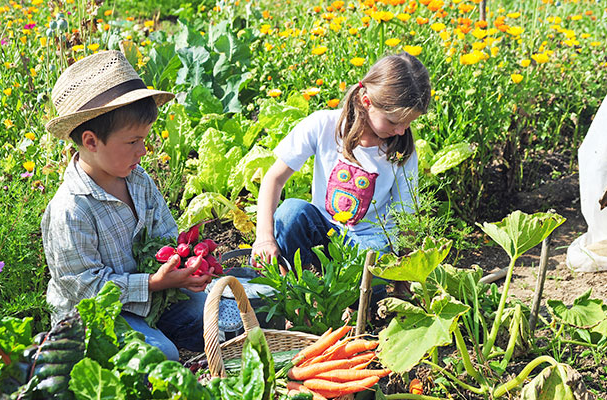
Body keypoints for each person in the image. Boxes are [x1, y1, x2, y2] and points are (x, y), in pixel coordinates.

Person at [41, 50, 213, 361]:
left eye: (144, 140)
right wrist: (152, 282)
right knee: (160, 358)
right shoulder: (71, 209)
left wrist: (183, 264)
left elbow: (165, 232)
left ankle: (174, 334)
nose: (143, 151)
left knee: (221, 315)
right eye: (133, 142)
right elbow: (86, 290)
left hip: (155, 295)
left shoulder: (138, 180)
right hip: (97, 317)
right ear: (91, 142)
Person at [251, 52, 431, 291]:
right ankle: (296, 290)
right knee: (291, 212)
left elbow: (407, 218)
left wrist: (403, 281)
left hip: (368, 245)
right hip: (324, 231)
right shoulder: (323, 125)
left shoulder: (400, 151)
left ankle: (349, 301)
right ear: (367, 102)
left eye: (408, 123)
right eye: (393, 121)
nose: (401, 131)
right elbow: (274, 179)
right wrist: (264, 237)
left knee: (372, 264)